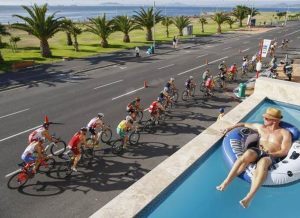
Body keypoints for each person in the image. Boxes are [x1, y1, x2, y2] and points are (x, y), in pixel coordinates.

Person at [216, 107, 292, 208]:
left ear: (275, 120)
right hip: (258, 151)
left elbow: (285, 151)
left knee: (263, 163)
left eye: (266, 118)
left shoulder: (284, 133)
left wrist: (272, 155)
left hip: (272, 156)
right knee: (246, 155)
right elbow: (243, 124)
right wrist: (229, 128)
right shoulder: (260, 127)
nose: (264, 119)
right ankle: (226, 182)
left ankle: (249, 197)